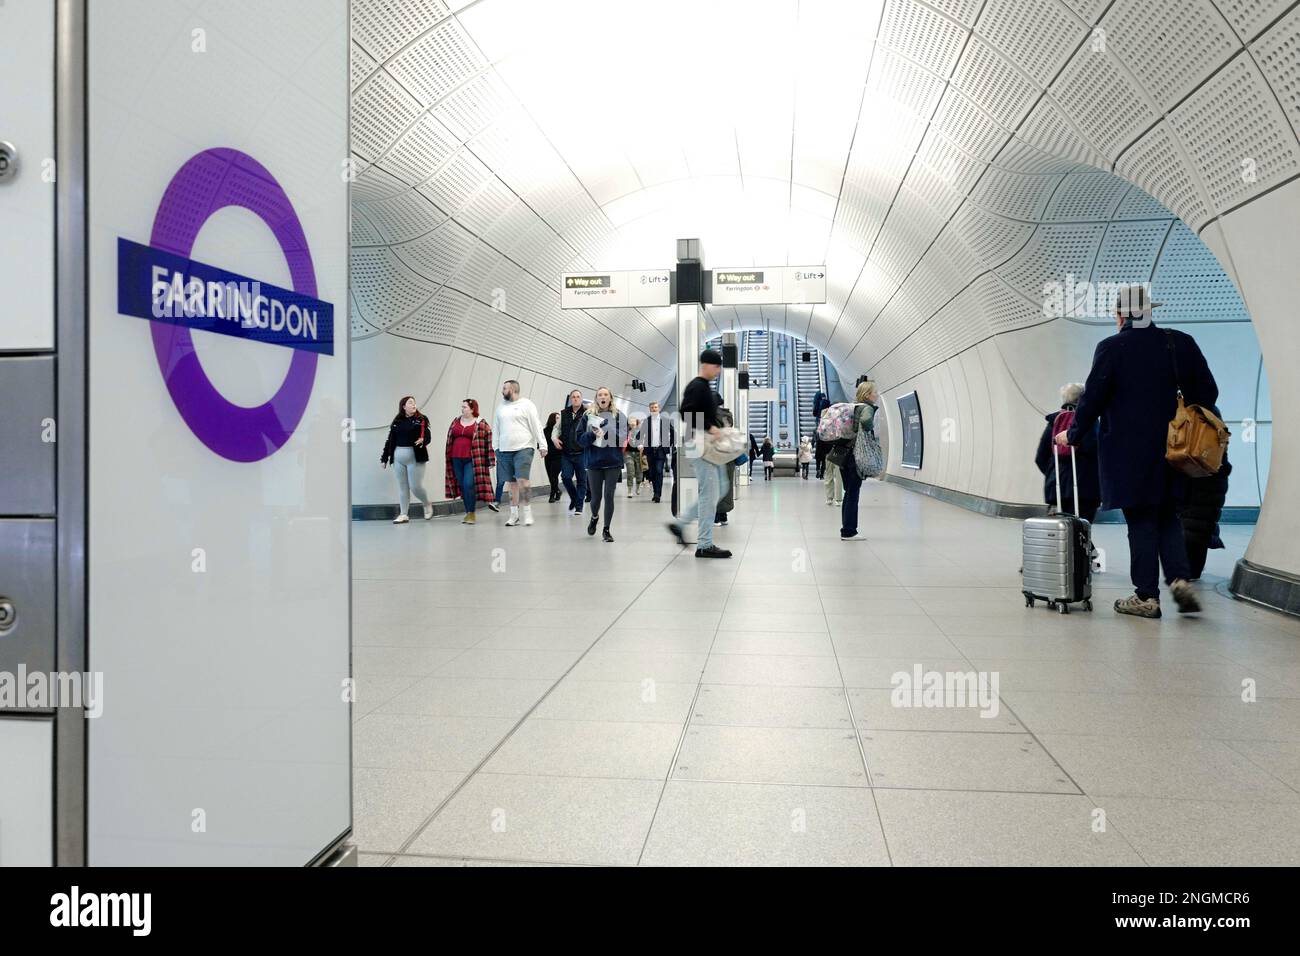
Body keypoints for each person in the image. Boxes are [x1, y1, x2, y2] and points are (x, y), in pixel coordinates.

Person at [1056, 285, 1217, 618]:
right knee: (1168, 516)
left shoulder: (1112, 348)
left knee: (1141, 519)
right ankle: (1178, 580)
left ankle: (1146, 595)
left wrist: (1072, 434)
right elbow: (1208, 392)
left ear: (1121, 316)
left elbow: (1092, 400)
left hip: (1129, 454)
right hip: (1177, 449)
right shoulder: (1179, 343)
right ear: (1149, 312)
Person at [667, 349, 732, 558]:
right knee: (709, 493)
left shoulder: (704, 387)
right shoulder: (697, 386)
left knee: (719, 489)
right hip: (699, 445)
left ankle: (681, 523)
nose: (719, 370)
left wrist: (714, 427)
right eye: (716, 366)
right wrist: (710, 427)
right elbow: (686, 412)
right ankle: (704, 544)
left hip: (706, 447)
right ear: (706, 365)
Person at [1179, 406, 1232, 580]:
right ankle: (1193, 570)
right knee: (1201, 526)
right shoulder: (1213, 412)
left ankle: (1189, 570)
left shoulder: (1187, 412)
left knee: (1191, 524)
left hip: (1194, 477)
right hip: (1213, 476)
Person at [1035, 383, 1101, 523]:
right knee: (1081, 531)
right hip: (1086, 488)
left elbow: (1040, 457)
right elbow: (1098, 453)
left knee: (1062, 531)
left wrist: (1054, 474)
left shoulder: (1055, 422)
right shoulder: (1091, 422)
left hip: (1057, 488)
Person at [578, 387, 631, 542]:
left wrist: (607, 430)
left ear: (610, 398)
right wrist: (592, 434)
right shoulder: (587, 416)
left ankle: (606, 529)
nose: (603, 397)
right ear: (596, 398)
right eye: (600, 395)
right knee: (596, 498)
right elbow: (579, 439)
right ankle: (594, 517)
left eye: (605, 394)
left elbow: (623, 439)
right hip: (594, 462)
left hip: (613, 461)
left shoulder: (619, 415)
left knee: (609, 495)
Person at [492, 379, 547, 527]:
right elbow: (496, 429)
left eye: (505, 388)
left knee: (523, 480)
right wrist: (495, 448)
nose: (502, 391)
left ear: (513, 390)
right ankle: (514, 515)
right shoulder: (500, 408)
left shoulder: (527, 405)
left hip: (524, 448)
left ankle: (527, 512)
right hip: (504, 450)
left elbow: (536, 425)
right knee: (511, 484)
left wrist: (543, 445)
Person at [380, 395, 435, 524]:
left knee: (415, 486)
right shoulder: (397, 421)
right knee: (403, 487)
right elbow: (390, 440)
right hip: (398, 457)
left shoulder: (421, 419)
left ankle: (427, 503)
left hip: (415, 457)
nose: (413, 405)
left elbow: (427, 435)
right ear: (404, 406)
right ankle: (403, 514)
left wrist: (424, 440)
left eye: (414, 403)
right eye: (410, 403)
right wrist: (384, 458)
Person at [839, 380, 878, 541]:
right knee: (853, 493)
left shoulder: (852, 407)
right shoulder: (866, 408)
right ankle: (849, 531)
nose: (876, 395)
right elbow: (866, 422)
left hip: (844, 454)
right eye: (874, 392)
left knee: (848, 493)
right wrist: (867, 430)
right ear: (868, 394)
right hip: (856, 455)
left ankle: (846, 529)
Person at [444, 398, 494, 525]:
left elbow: (489, 441)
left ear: (472, 409)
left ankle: (471, 513)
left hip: (472, 459)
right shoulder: (456, 421)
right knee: (462, 486)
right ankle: (468, 512)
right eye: (462, 407)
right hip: (455, 458)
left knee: (468, 484)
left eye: (465, 407)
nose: (462, 409)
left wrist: (491, 459)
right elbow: (449, 438)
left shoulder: (480, 423)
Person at [552, 389, 589, 516]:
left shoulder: (587, 413)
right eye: (573, 397)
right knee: (566, 477)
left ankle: (579, 506)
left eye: (578, 397)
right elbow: (556, 429)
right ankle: (574, 497)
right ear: (570, 399)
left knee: (581, 480)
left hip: (582, 452)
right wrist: (554, 438)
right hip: (567, 453)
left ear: (581, 399)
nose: (575, 399)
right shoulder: (564, 413)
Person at [642, 401, 675, 503]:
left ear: (659, 408)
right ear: (650, 409)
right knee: (652, 473)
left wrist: (669, 444)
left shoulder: (665, 420)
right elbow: (641, 433)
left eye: (655, 407)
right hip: (650, 450)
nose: (654, 409)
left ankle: (658, 494)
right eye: (652, 408)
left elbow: (673, 432)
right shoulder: (646, 421)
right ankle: (655, 492)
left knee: (659, 471)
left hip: (661, 450)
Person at [543, 411, 563, 503]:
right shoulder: (545, 430)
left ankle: (552, 495)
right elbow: (541, 442)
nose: (559, 420)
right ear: (552, 419)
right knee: (551, 477)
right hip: (548, 456)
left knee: (553, 475)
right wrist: (541, 449)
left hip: (558, 456)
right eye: (557, 418)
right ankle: (558, 491)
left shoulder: (561, 430)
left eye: (560, 418)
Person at [624, 417, 644, 497]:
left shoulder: (641, 432)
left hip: (638, 453)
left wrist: (642, 445)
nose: (632, 423)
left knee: (639, 471)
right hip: (628, 453)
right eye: (630, 422)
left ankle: (638, 486)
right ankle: (629, 489)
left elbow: (644, 440)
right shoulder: (625, 431)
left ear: (636, 423)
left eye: (633, 422)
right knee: (630, 471)